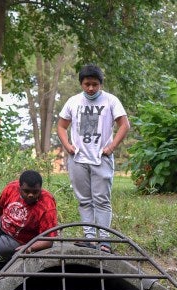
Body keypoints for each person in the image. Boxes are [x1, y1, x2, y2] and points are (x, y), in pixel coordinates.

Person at [57, 64, 129, 253]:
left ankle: (104, 240)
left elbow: (124, 125)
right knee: (84, 200)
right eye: (87, 84)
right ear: (81, 83)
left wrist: (111, 147)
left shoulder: (111, 101)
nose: (90, 88)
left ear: (101, 84)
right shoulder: (73, 101)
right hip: (78, 159)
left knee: (102, 200)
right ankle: (89, 238)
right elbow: (61, 126)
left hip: (101, 158)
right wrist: (68, 145)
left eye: (95, 84)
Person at [0, 170, 58, 282]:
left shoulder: (47, 204)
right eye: (26, 191)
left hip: (17, 239)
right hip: (1, 223)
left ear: (40, 189)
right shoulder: (12, 188)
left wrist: (30, 247)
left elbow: (49, 240)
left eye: (35, 192)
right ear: (19, 187)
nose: (30, 195)